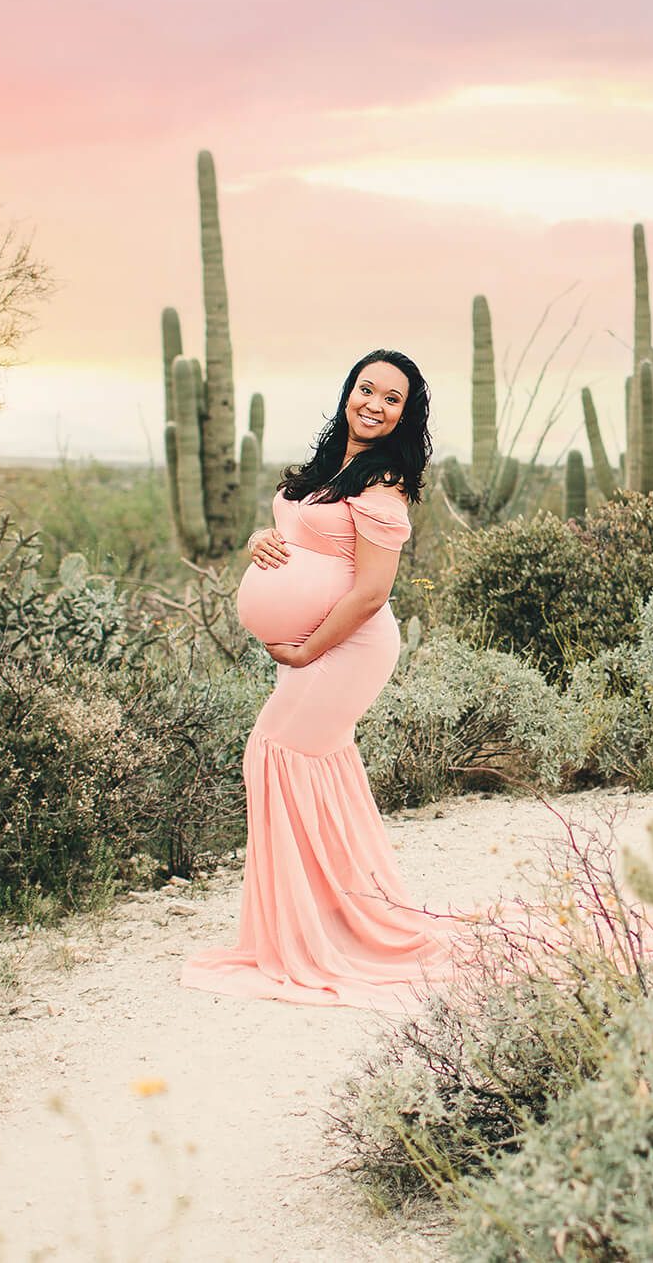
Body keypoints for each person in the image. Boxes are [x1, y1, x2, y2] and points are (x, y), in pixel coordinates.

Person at [180, 350, 450, 1008]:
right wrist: (257, 541)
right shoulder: (333, 465)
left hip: (350, 643)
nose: (374, 404)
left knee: (274, 752)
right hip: (321, 643)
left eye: (393, 398)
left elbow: (369, 593)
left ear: (405, 414)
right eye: (367, 389)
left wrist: (303, 653)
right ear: (349, 391)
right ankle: (325, 918)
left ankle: (316, 930)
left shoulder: (384, 483)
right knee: (315, 766)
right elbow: (297, 531)